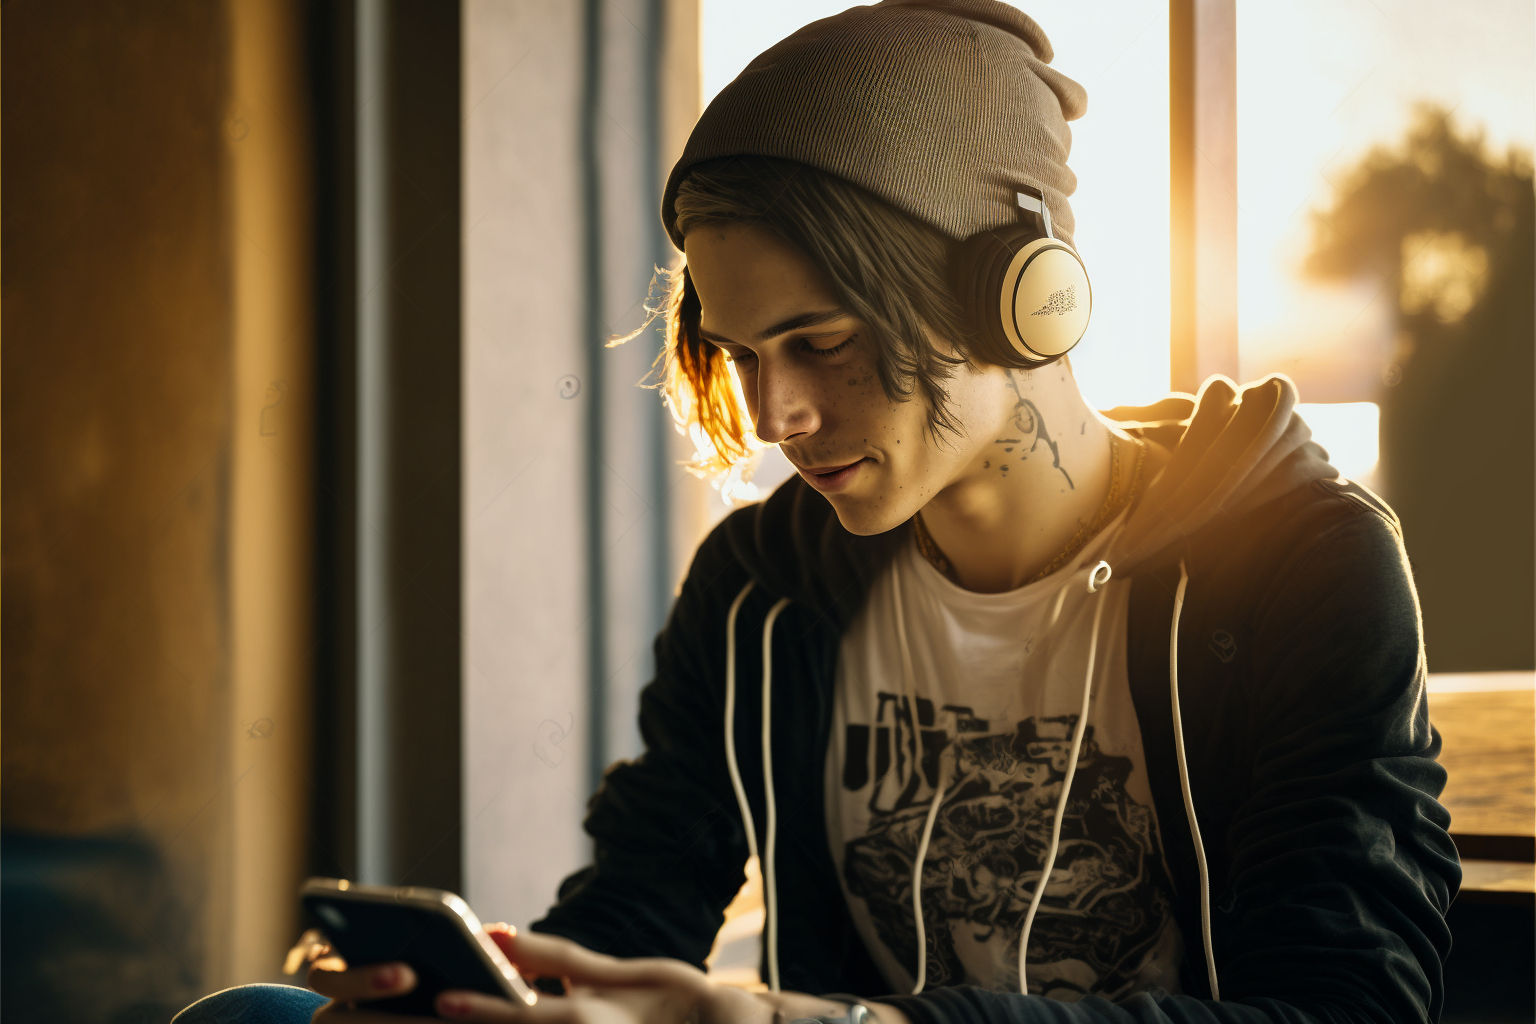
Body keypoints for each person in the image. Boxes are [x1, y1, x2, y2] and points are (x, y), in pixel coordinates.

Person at [172, 2, 1458, 1022]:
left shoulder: (1302, 567)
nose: (777, 414)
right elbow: (638, 908)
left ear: (1023, 299)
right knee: (258, 1016)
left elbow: (1345, 1003)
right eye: (739, 353)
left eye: (821, 340)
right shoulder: (762, 585)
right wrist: (498, 998)